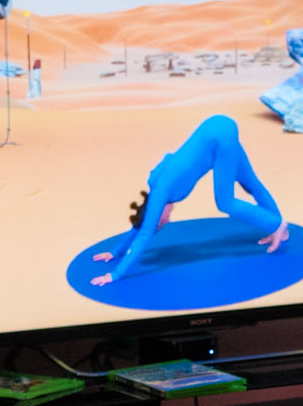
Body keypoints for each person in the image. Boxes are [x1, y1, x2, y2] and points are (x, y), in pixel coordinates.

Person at [91, 113, 288, 285]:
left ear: (156, 211)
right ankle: (280, 230)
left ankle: (277, 224)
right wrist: (115, 252)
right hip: (216, 129)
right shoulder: (156, 186)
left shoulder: (161, 191)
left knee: (225, 202)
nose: (167, 221)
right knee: (250, 182)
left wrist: (115, 275)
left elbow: (144, 235)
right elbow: (141, 225)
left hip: (219, 138)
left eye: (160, 221)